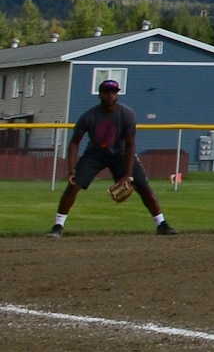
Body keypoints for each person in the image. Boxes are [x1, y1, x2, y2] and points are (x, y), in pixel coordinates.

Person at [48, 78, 177, 236]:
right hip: (95, 154)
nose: (110, 95)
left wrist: (127, 175)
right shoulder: (89, 116)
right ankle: (58, 226)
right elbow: (74, 142)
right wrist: (71, 169)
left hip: (121, 154)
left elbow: (130, 145)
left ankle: (161, 224)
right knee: (73, 185)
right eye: (106, 92)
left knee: (143, 186)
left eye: (113, 92)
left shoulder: (126, 114)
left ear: (118, 95)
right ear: (100, 95)